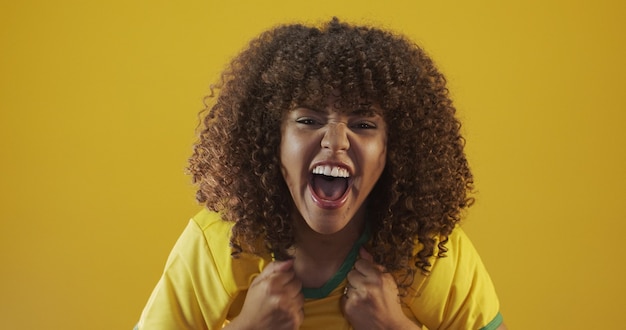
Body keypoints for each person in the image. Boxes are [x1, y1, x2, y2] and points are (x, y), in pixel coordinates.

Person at [135, 18, 506, 330]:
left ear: (393, 149)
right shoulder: (219, 243)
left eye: (363, 124)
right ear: (271, 139)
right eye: (308, 120)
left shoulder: (428, 249)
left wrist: (396, 326)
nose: (335, 141)